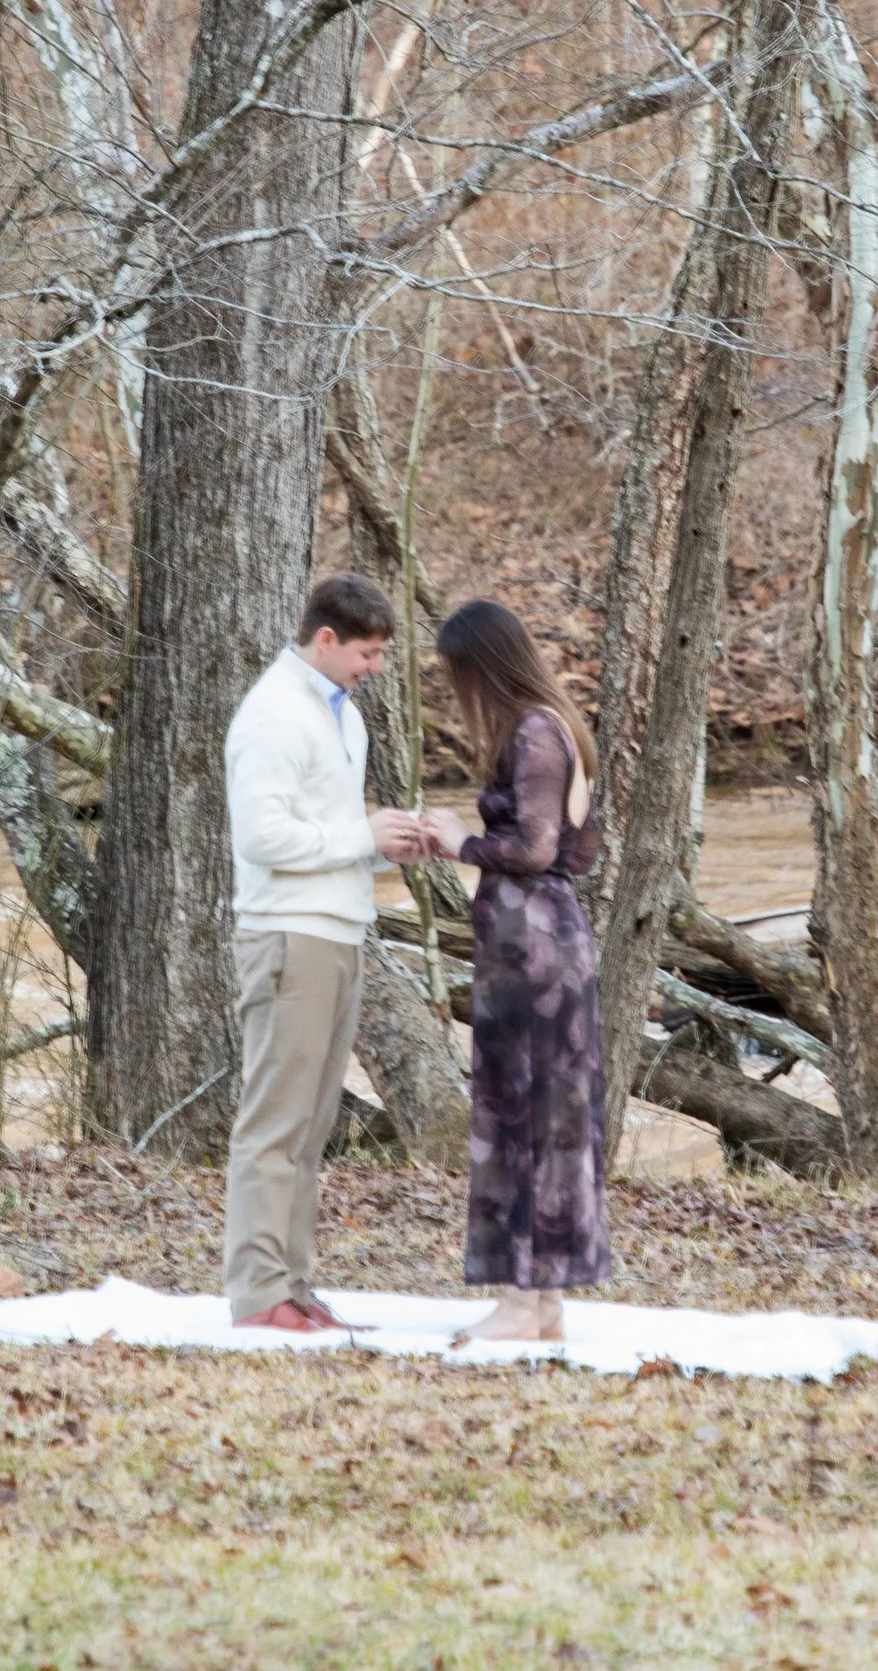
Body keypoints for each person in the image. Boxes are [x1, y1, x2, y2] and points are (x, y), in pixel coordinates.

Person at [222, 574, 429, 1334]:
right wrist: (361, 837)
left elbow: (329, 830)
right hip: (289, 935)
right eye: (367, 654)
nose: (375, 668)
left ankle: (294, 1286)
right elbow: (263, 839)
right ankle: (258, 1293)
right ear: (326, 640)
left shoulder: (338, 716)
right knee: (275, 1120)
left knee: (311, 1126)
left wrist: (388, 843)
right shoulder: (274, 715)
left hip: (338, 931)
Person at [416, 599, 609, 1345]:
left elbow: (532, 847)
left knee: (526, 1116)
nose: (458, 692)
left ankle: (526, 1301)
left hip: (532, 950)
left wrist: (466, 842)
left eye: (460, 675)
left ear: (485, 668)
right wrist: (462, 846)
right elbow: (578, 851)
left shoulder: (532, 730)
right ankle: (546, 1301)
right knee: (552, 1118)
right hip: (548, 939)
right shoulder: (561, 727)